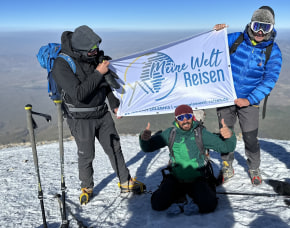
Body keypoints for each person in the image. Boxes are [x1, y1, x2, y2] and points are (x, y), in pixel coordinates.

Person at [51, 25, 145, 205]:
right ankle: (87, 187)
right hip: (80, 118)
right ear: (81, 48)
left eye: (96, 48)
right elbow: (78, 94)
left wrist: (114, 104)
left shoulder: (94, 57)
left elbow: (105, 84)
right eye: (92, 49)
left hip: (102, 113)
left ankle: (125, 182)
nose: (95, 52)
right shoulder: (61, 64)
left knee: (114, 148)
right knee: (87, 154)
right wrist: (97, 73)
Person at [213, 6, 282, 186]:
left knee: (250, 137)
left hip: (249, 102)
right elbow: (210, 48)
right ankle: (227, 165)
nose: (260, 31)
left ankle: (254, 168)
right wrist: (215, 34)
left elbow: (270, 80)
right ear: (250, 24)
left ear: (272, 28)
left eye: (265, 27)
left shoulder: (272, 52)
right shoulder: (235, 39)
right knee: (225, 135)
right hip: (226, 97)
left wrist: (249, 99)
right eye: (257, 25)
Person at [139, 104, 236, 213]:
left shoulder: (200, 133)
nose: (185, 120)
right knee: (157, 204)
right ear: (176, 119)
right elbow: (148, 148)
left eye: (188, 116)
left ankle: (188, 196)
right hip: (176, 178)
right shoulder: (170, 133)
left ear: (192, 117)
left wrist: (230, 135)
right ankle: (178, 195)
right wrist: (144, 139)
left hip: (197, 178)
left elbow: (227, 147)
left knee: (209, 205)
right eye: (180, 117)